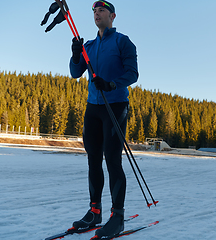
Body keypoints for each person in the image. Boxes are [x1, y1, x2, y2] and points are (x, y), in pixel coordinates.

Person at [69, 1, 138, 238]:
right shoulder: (88, 45)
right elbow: (75, 72)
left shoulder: (123, 42)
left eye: (101, 11)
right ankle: (95, 211)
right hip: (93, 109)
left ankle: (117, 216)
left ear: (112, 16)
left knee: (112, 161)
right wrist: (76, 54)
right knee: (93, 160)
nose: (97, 14)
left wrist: (111, 84)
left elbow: (132, 73)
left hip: (115, 106)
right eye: (94, 11)